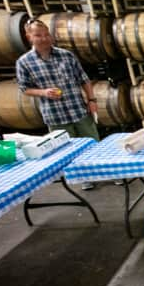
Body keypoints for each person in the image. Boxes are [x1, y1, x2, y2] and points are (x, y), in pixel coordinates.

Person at [16, 19, 100, 190]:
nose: (44, 38)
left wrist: (91, 100)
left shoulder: (66, 55)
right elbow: (24, 88)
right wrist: (43, 92)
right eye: (38, 35)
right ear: (29, 37)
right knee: (67, 148)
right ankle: (83, 178)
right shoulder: (24, 62)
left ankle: (106, 172)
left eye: (46, 34)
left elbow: (84, 79)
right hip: (54, 114)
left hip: (78, 109)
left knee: (93, 142)